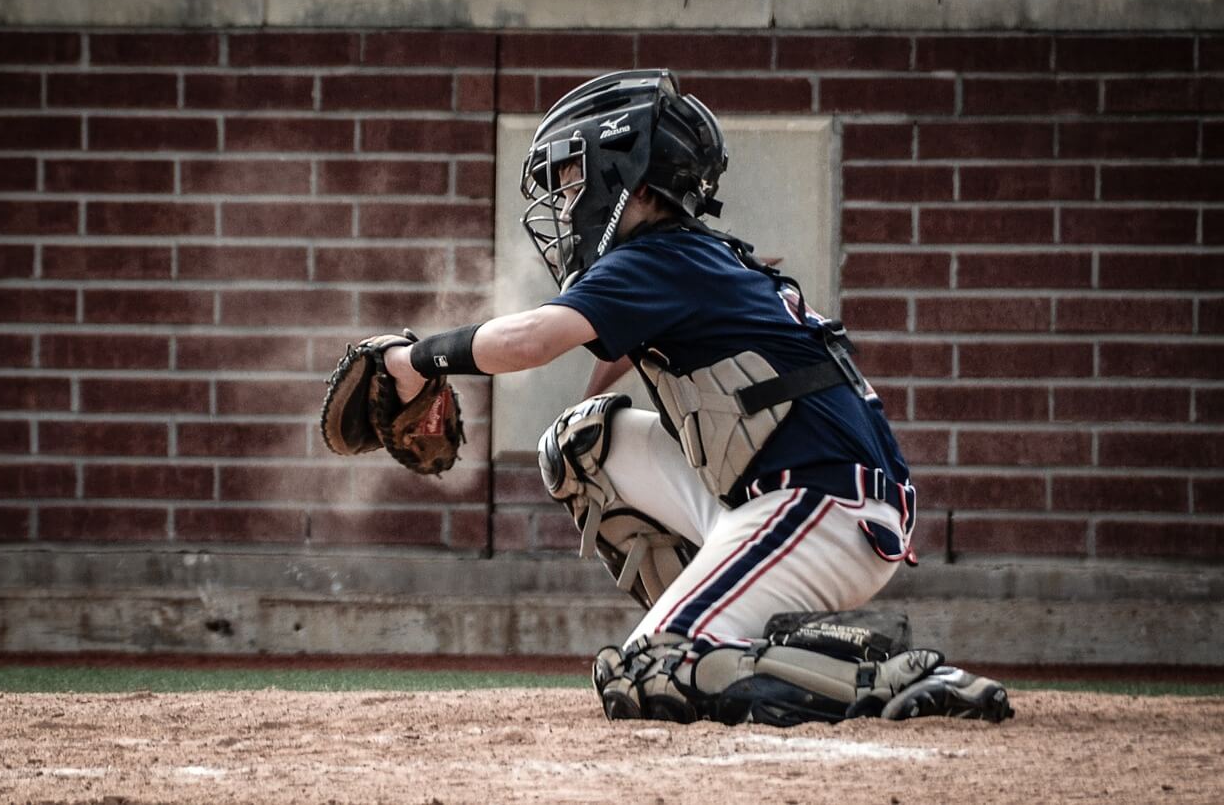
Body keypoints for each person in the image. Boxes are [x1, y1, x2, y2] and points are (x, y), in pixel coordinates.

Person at [383, 69, 1011, 726]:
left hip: (822, 508)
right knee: (579, 446)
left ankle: (877, 674)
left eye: (574, 179)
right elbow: (619, 348)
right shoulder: (685, 257)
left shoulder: (659, 258)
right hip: (801, 496)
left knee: (649, 670)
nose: (566, 202)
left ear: (628, 174)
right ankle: (711, 633)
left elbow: (533, 341)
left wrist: (416, 359)